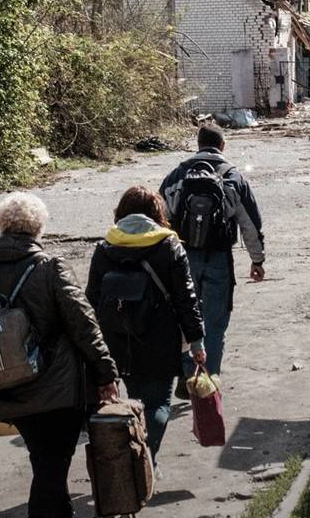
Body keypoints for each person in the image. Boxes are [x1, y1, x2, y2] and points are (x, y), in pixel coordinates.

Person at [0, 193, 120, 518]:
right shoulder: (50, 268)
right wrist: (106, 372)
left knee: (45, 459)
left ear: (1, 227)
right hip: (56, 387)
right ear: (37, 228)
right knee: (53, 462)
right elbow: (84, 325)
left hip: (5, 386)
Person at [85, 185, 205, 460]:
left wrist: (91, 349)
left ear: (121, 212)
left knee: (133, 398)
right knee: (158, 405)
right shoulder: (169, 246)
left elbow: (91, 300)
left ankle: (137, 462)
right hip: (159, 339)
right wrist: (197, 341)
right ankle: (145, 460)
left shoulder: (105, 248)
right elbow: (186, 299)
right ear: (157, 213)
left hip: (116, 340)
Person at [159, 125, 265, 382]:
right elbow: (250, 224)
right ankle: (208, 382)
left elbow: (160, 219)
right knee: (215, 324)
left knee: (186, 317)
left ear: (198, 144)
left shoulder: (177, 175)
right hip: (219, 258)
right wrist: (257, 260)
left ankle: (188, 376)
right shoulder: (233, 177)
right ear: (222, 145)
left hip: (183, 258)